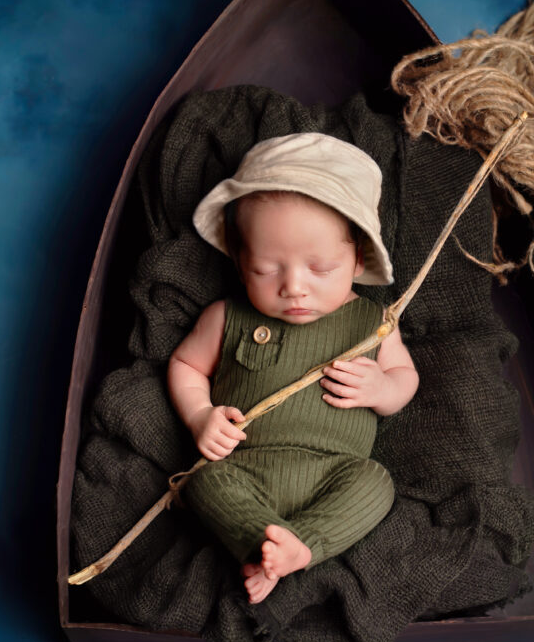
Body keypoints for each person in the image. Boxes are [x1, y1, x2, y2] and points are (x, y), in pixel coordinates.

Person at [167, 132, 419, 604]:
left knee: (376, 485)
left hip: (336, 473)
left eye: (320, 267)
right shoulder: (227, 316)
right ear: (241, 263)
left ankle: (301, 545)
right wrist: (199, 415)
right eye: (266, 269)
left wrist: (383, 388)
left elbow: (406, 379)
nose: (294, 288)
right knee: (204, 481)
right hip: (245, 471)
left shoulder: (374, 323)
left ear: (357, 258)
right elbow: (185, 364)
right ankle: (267, 544)